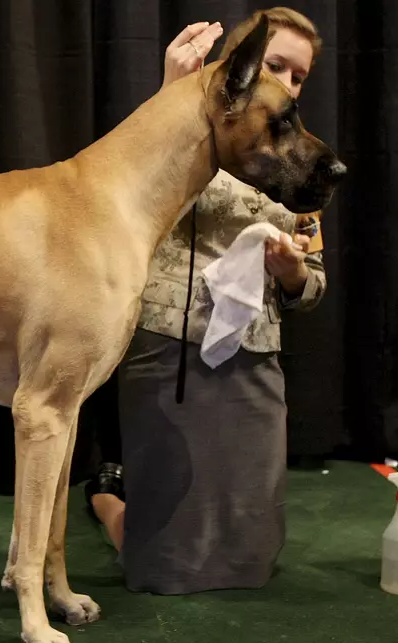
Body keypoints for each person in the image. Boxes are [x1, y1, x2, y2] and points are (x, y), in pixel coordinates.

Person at [83, 7, 327, 595]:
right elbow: (121, 203)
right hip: (170, 347)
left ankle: (118, 497)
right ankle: (107, 503)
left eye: (300, 76)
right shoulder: (187, 128)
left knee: (252, 558)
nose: (289, 84)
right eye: (276, 66)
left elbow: (315, 283)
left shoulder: (295, 160)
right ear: (241, 66)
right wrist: (173, 90)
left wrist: (293, 272)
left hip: (253, 350)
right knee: (162, 562)